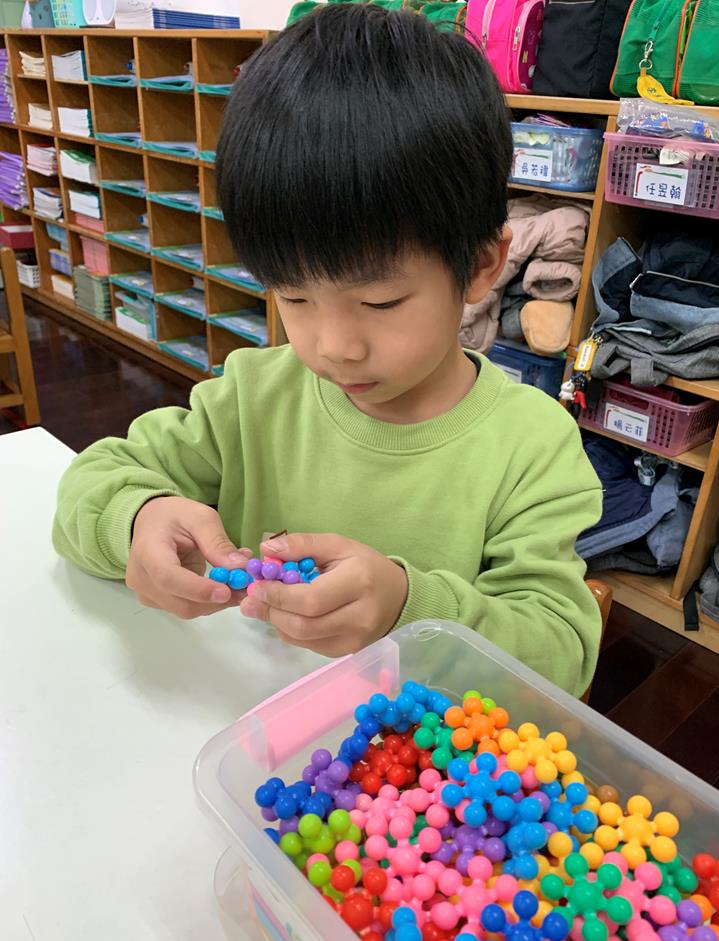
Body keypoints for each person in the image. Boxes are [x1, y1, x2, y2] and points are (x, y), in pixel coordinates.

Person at [52, 4, 602, 695]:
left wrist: (410, 610)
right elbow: (93, 482)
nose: (333, 347)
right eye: (293, 296)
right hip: (242, 723)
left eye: (381, 302)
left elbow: (562, 654)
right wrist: (137, 520)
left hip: (415, 750)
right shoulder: (253, 395)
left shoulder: (531, 446)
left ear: (481, 267)